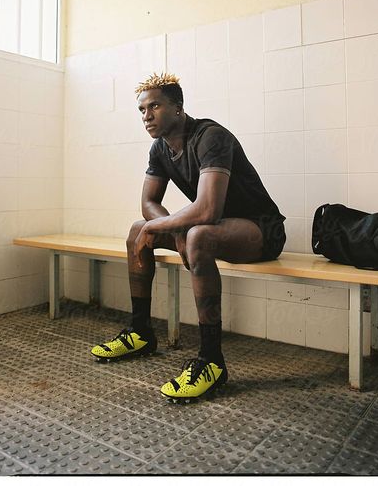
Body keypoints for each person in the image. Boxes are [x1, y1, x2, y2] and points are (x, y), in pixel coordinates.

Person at [91, 72, 286, 402]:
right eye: (141, 110)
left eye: (155, 106)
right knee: (138, 229)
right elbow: (148, 204)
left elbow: (208, 209)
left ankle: (212, 361)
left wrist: (169, 228)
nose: (147, 115)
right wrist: (166, 227)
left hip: (260, 229)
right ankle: (140, 331)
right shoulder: (159, 149)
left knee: (194, 234)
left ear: (178, 108)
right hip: (215, 230)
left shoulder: (211, 137)